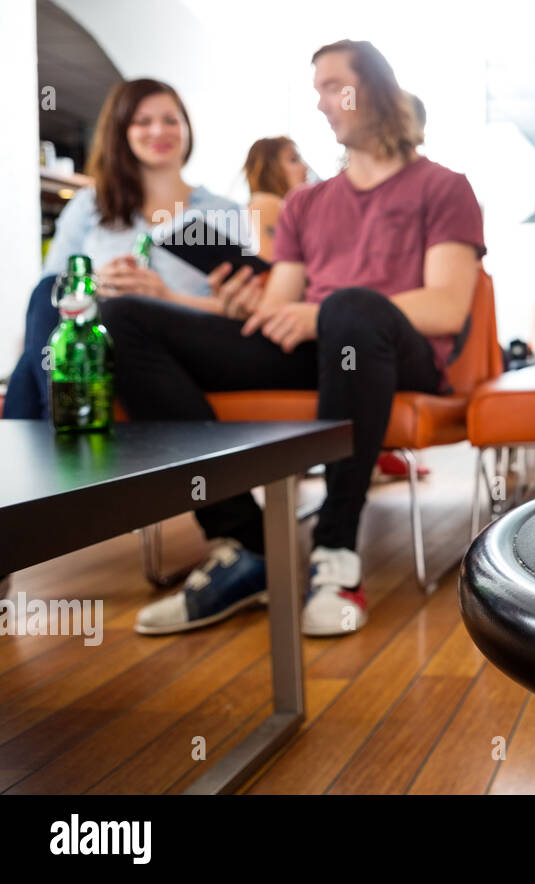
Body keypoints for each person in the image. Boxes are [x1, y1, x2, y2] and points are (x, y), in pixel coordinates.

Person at [103, 40, 484, 637]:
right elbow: (277, 310)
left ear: (375, 91)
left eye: (334, 87)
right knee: (122, 322)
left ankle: (336, 555)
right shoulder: (307, 204)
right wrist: (197, 300)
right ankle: (249, 546)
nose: (323, 104)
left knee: (352, 310)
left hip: (394, 353)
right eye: (317, 91)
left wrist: (323, 311)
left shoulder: (442, 187)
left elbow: (445, 306)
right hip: (319, 349)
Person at [2, 78, 240, 420]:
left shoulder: (221, 213)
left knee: (29, 367)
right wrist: (94, 283)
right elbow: (52, 293)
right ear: (122, 132)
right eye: (142, 121)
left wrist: (162, 296)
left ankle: (57, 438)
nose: (158, 130)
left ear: (187, 129)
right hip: (91, 345)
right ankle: (62, 425)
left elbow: (239, 310)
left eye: (171, 120)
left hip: (172, 346)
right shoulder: (90, 205)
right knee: (44, 298)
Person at [242, 136, 311, 261]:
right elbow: (271, 264)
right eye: (294, 160)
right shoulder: (267, 203)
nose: (305, 167)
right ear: (269, 169)